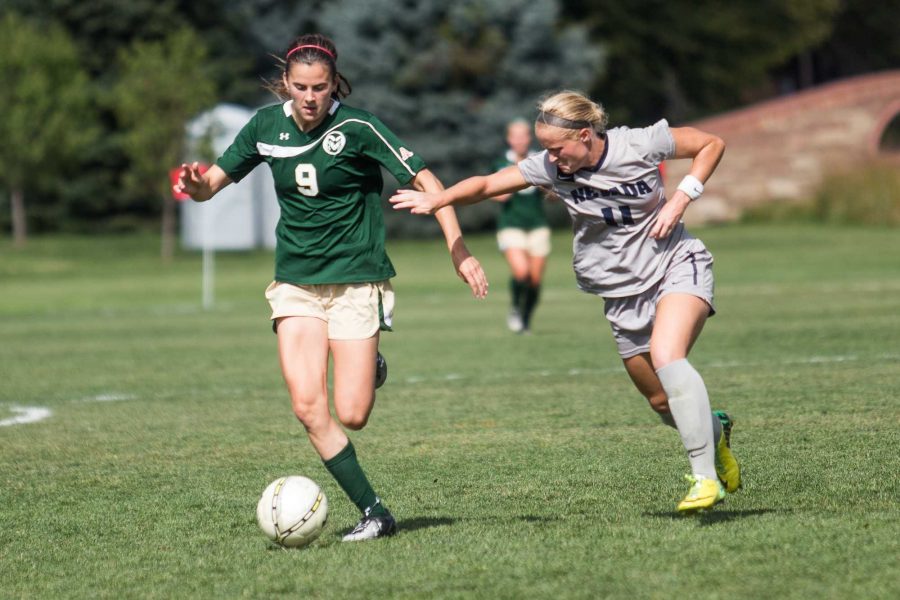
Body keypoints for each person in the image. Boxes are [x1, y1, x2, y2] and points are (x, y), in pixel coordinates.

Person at [174, 34, 488, 541]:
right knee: (306, 407)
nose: (310, 97)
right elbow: (209, 185)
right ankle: (375, 512)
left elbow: (431, 182)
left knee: (353, 413)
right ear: (286, 84)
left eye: (320, 87)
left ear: (333, 83)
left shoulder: (359, 126)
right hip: (296, 283)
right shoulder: (263, 126)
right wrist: (194, 186)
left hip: (356, 283)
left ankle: (369, 364)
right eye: (300, 87)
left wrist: (459, 248)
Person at [391, 90, 741, 512]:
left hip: (675, 264)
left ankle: (705, 480)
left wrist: (682, 199)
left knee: (669, 356)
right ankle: (715, 433)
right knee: (661, 402)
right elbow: (486, 185)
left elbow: (711, 144)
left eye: (558, 149)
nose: (552, 158)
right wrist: (439, 198)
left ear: (585, 135)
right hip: (619, 293)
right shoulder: (550, 167)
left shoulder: (640, 143)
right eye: (546, 150)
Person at [490, 119, 551, 334]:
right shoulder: (501, 163)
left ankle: (526, 319)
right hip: (511, 225)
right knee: (521, 272)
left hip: (537, 225)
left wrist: (547, 187)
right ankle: (516, 307)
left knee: (534, 279)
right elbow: (494, 194)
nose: (519, 140)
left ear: (529, 138)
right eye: (515, 136)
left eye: (523, 135)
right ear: (509, 139)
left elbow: (553, 197)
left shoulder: (541, 160)